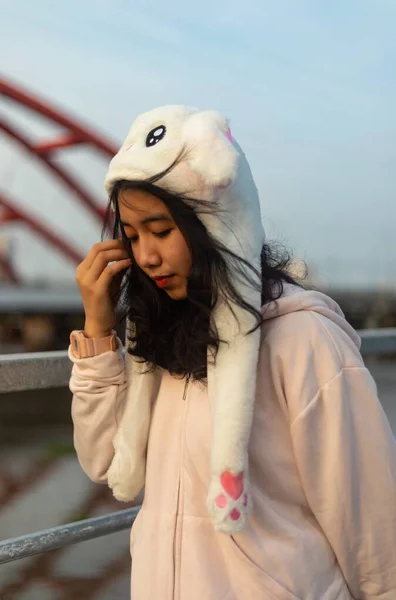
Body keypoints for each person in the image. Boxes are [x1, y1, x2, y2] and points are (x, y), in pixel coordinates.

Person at [69, 106, 396, 599]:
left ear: (216, 223)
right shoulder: (158, 339)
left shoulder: (302, 338)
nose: (146, 256)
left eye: (161, 230)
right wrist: (97, 328)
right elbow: (101, 462)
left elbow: (369, 517)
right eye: (133, 236)